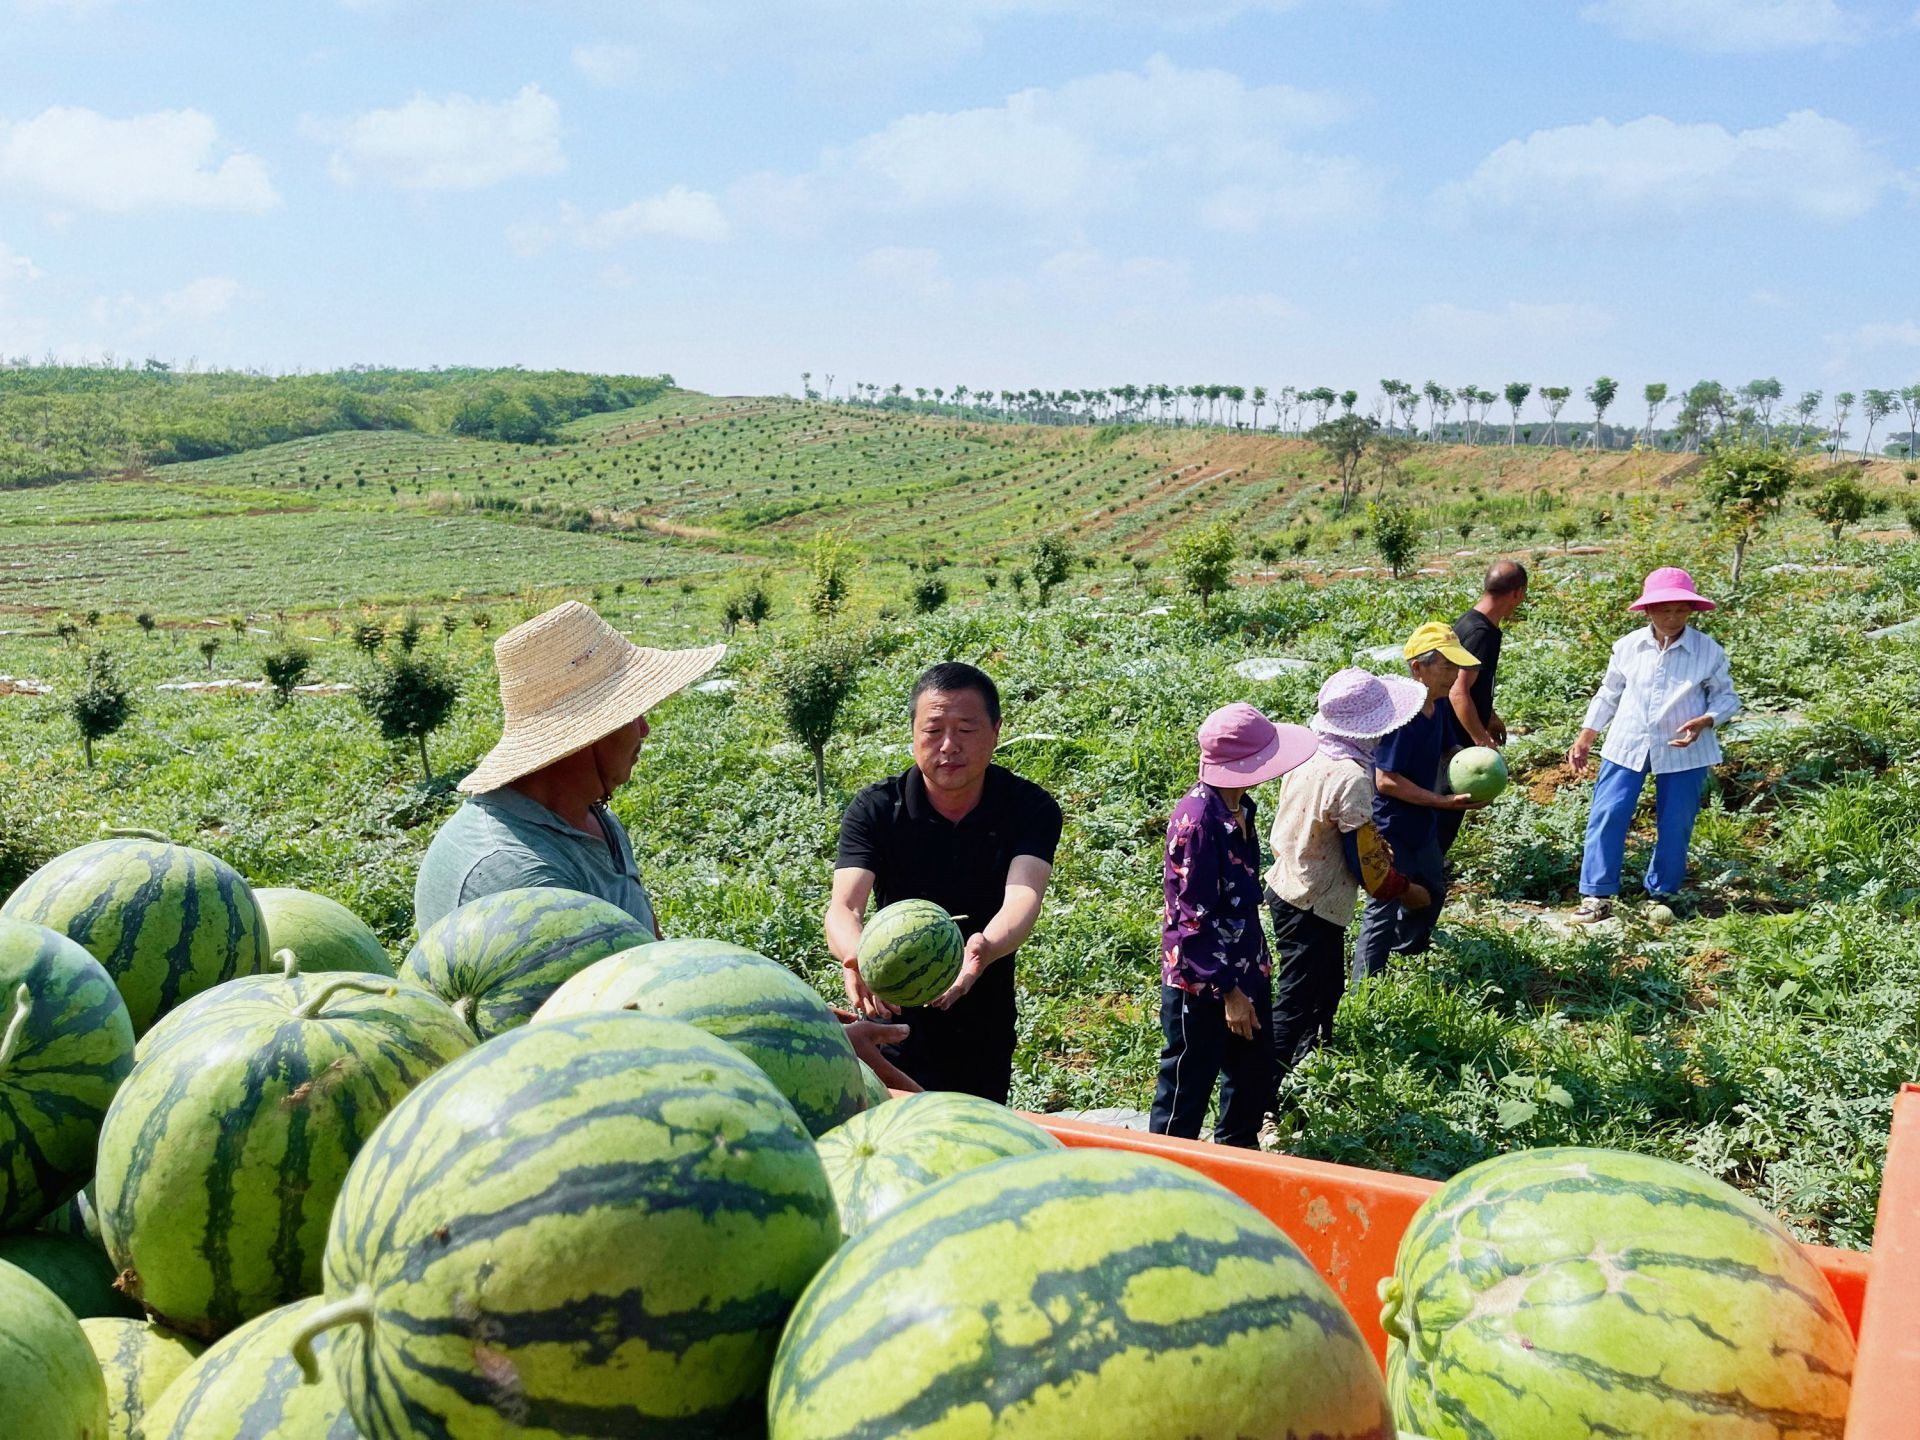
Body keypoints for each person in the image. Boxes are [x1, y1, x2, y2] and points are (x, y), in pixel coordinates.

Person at [416, 600, 916, 1087]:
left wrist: (787, 1013)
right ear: (587, 734)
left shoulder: (592, 815)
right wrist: (808, 1045)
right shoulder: (515, 878)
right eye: (632, 714)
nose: (645, 728)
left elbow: (652, 964)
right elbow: (603, 1053)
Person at [826, 662, 1063, 1102]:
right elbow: (844, 907)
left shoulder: (1029, 809)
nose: (949, 746)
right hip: (891, 1017)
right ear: (913, 734)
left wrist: (983, 948)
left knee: (976, 1147)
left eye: (966, 730)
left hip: (982, 1018)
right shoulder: (876, 810)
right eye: (933, 730)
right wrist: (855, 956)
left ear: (995, 731)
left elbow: (1023, 898)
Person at [1149, 703, 1316, 1147]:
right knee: (1186, 1089)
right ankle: (1163, 1175)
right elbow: (1192, 920)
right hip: (1202, 981)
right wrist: (1231, 994)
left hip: (1247, 966)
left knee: (1250, 1079)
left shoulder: (1239, 807)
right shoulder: (1197, 822)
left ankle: (1236, 1167)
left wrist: (1250, 981)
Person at [1265, 669, 1432, 1079]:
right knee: (1297, 1000)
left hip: (1289, 882)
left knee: (1327, 990)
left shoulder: (1309, 753)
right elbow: (1369, 870)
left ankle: (1312, 1071)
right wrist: (1409, 892)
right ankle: (1260, 1097)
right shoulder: (1353, 779)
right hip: (1313, 900)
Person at [1568, 568, 1740, 923]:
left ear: (1691, 610)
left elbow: (1727, 698)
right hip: (1628, 742)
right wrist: (1587, 735)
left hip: (1684, 748)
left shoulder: (1707, 651)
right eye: (1664, 610)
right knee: (1608, 814)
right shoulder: (1628, 647)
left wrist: (1706, 720)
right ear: (1648, 611)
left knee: (1676, 822)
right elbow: (1609, 693)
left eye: (1680, 610)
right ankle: (1597, 894)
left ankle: (1661, 893)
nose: (1673, 617)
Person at [1350, 623, 1485, 981]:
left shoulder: (1437, 706)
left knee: (1433, 891)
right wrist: (1441, 802)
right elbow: (1386, 780)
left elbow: (1447, 747)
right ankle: (1365, 989)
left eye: (1458, 667)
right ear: (1418, 668)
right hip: (1393, 826)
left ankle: (1406, 955)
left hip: (1422, 823)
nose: (1454, 675)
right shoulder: (1401, 717)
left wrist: (1475, 762)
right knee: (1384, 904)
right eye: (1447, 666)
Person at [1437, 559, 1528, 854]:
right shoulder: (1480, 633)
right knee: (1448, 808)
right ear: (1517, 593)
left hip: (1450, 732)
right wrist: (1482, 741)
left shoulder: (1471, 622)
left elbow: (1472, 687)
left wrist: (1490, 715)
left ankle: (1430, 868)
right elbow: (1458, 692)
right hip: (1453, 740)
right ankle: (1428, 873)